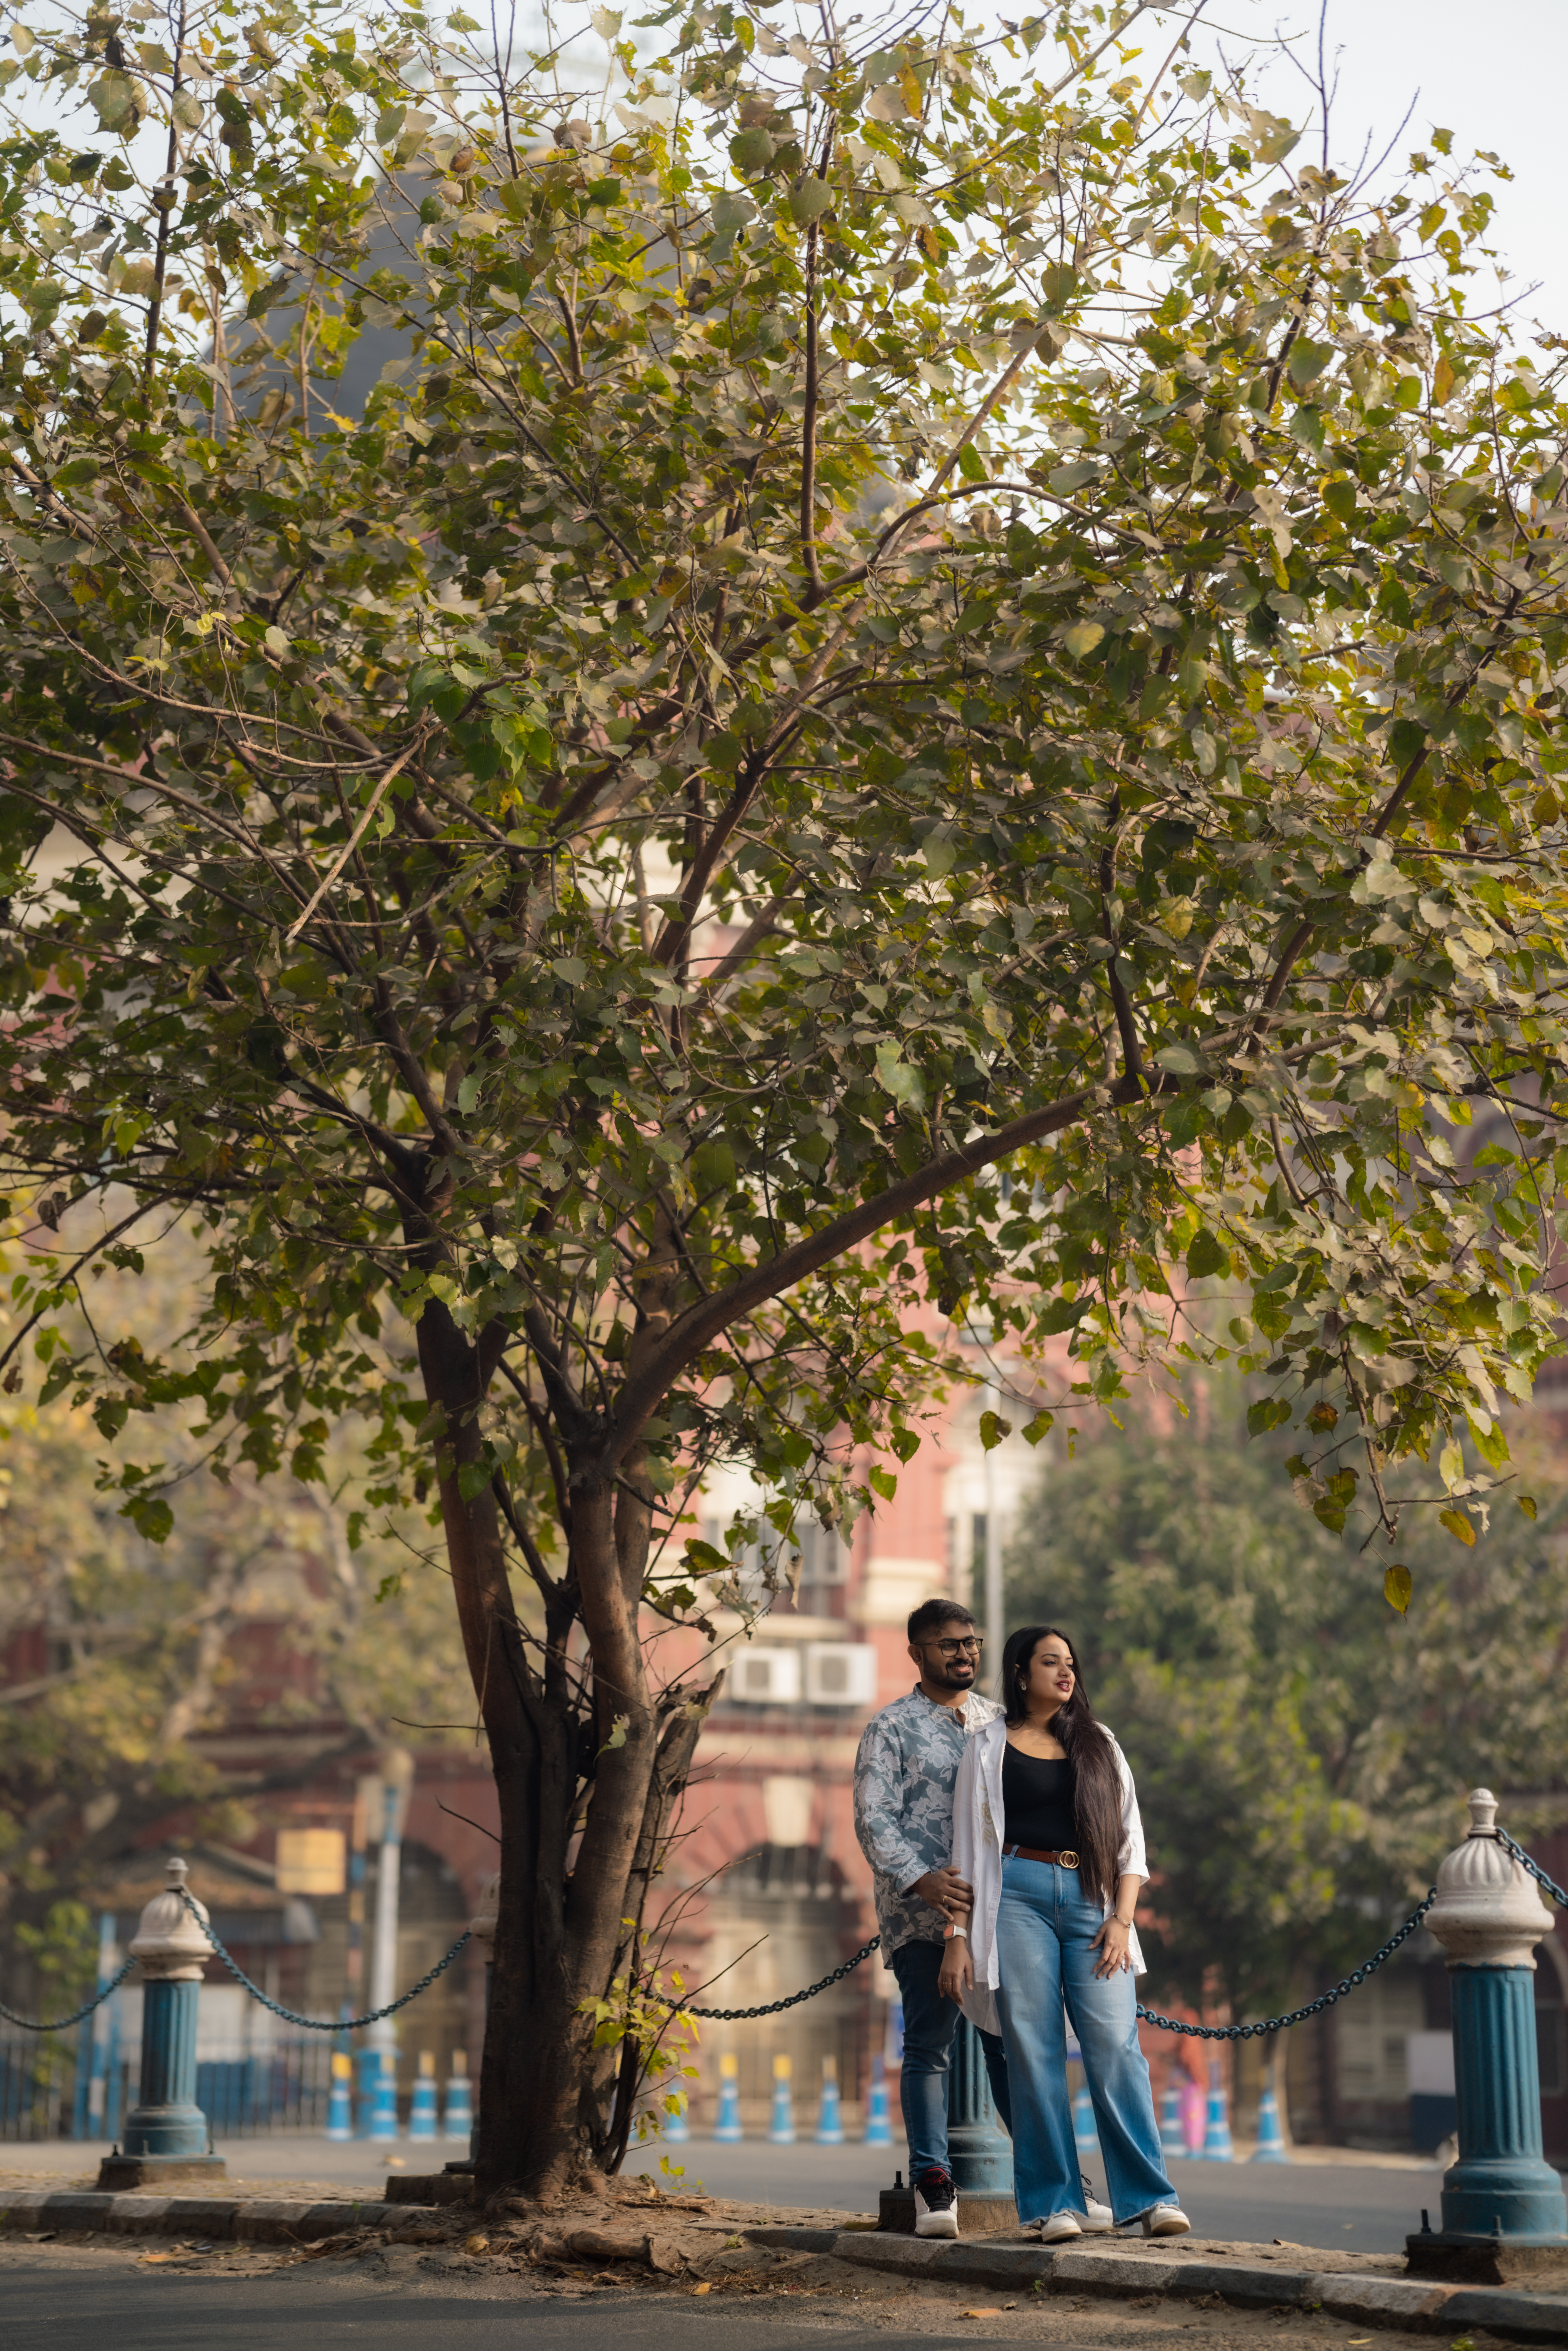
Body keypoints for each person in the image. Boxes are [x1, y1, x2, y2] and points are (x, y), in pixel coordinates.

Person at [853, 1598, 1114, 2240]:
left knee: (1014, 2046)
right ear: (916, 1653)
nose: (963, 1653)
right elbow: (873, 1817)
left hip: (1005, 1909)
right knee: (928, 2047)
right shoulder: (890, 1728)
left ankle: (1052, 2182)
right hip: (921, 1915)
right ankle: (934, 2184)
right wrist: (923, 1878)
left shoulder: (1001, 1721)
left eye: (970, 1642)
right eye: (947, 1644)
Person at [940, 1623, 1191, 2243]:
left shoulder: (1100, 1743)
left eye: (1071, 1662)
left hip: (1094, 1901)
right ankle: (1053, 2204)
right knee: (1034, 2048)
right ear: (1021, 1674)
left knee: (1115, 2045)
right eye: (1051, 1662)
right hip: (1016, 1896)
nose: (1066, 1672)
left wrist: (1121, 1919)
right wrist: (957, 1934)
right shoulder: (986, 1746)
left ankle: (1150, 2197)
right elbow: (967, 1850)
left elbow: (1131, 1840)